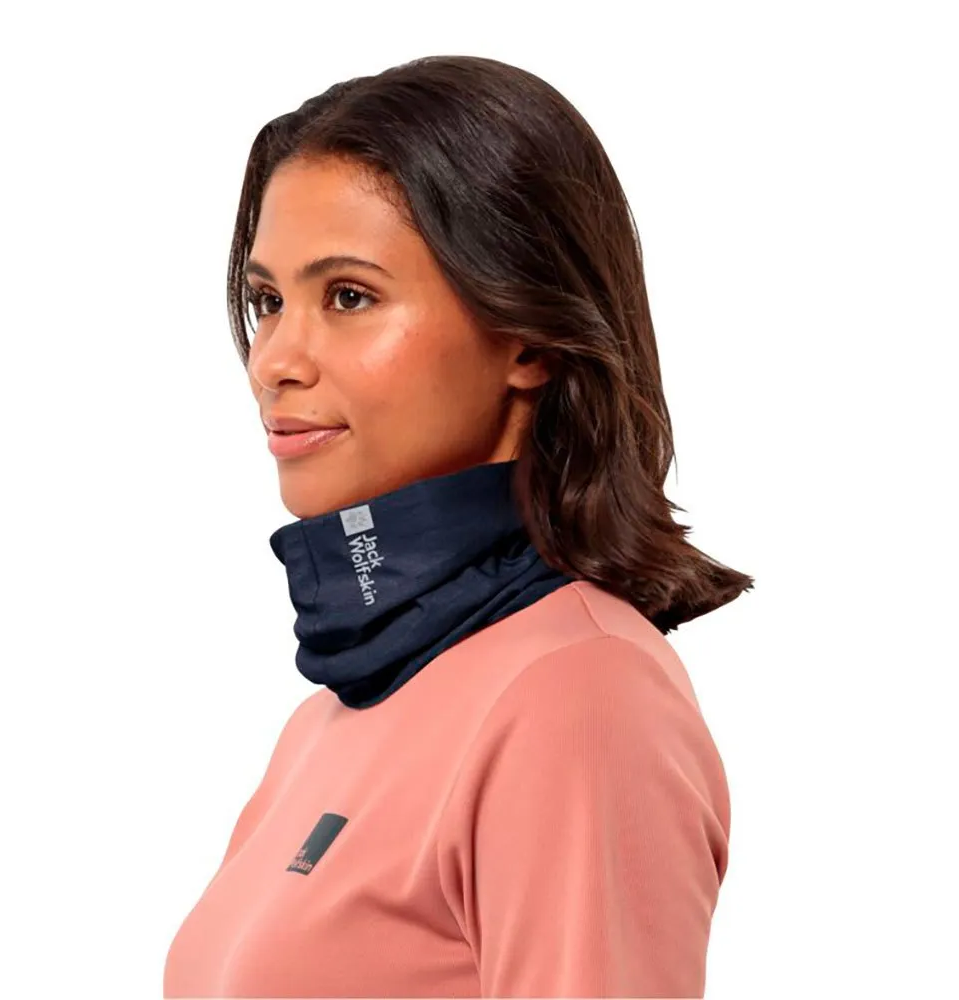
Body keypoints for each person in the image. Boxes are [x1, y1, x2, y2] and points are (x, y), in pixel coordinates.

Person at [163, 53, 752, 999]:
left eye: (348, 296)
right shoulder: (333, 716)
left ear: (528, 336)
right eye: (267, 301)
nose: (274, 359)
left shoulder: (579, 693)